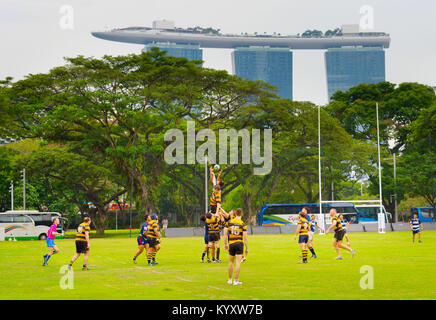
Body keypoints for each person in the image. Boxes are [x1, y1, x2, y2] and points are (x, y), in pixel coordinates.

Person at [224, 208, 248, 285]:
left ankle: (229, 280)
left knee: (231, 262)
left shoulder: (229, 222)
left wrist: (225, 244)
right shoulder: (242, 224)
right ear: (241, 214)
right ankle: (236, 280)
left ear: (235, 214)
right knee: (238, 262)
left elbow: (225, 234)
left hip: (231, 243)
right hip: (239, 243)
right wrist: (247, 248)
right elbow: (245, 237)